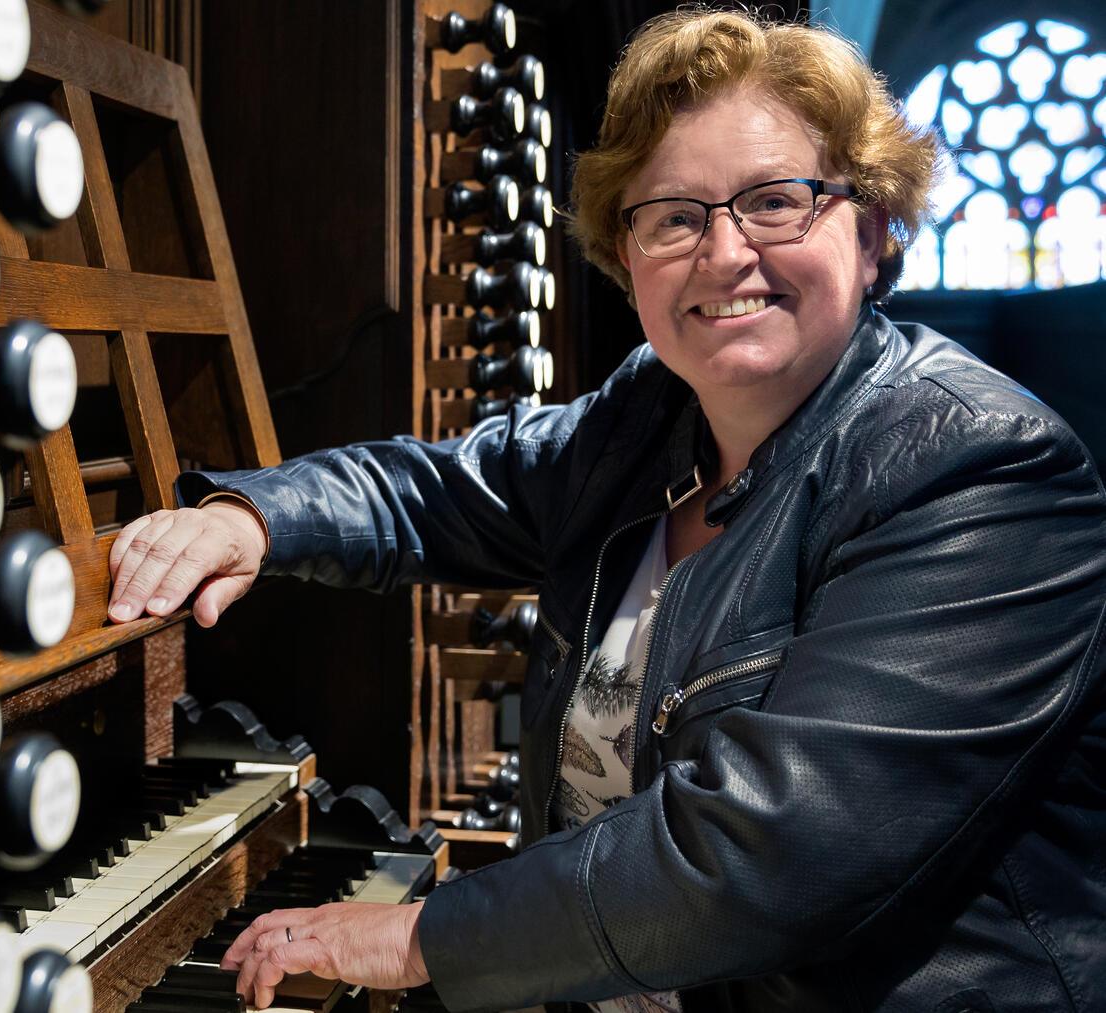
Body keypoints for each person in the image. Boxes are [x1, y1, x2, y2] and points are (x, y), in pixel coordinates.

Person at [106, 9, 1106, 1012]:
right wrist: (250, 516)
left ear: (875, 230)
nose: (724, 252)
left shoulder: (981, 470)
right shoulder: (651, 417)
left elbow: (763, 857)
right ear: (626, 259)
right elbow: (435, 490)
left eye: (774, 202)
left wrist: (423, 935)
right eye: (674, 216)